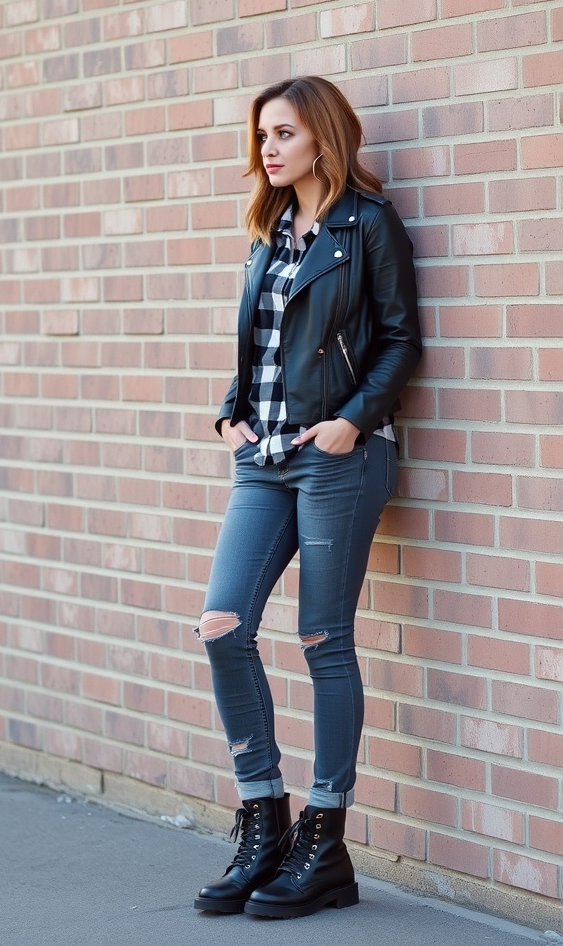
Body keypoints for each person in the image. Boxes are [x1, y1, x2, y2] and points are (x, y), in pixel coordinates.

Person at [193, 76, 422, 919]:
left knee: (323, 637)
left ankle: (326, 839)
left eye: (282, 133)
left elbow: (403, 340)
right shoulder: (267, 232)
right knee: (223, 625)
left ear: (321, 137)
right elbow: (255, 349)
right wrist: (229, 418)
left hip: (336, 458)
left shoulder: (367, 226)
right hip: (263, 461)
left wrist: (351, 424)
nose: (268, 149)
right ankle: (265, 819)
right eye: (261, 136)